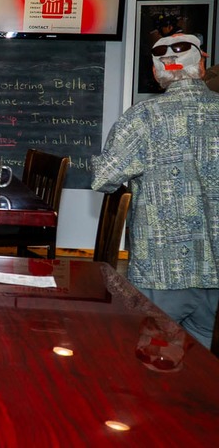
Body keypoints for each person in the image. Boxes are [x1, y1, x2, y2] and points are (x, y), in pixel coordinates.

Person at [92, 33, 219, 347]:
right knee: (206, 362)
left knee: (151, 360)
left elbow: (104, 178)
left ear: (155, 72)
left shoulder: (143, 117)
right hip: (215, 271)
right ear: (201, 65)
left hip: (162, 269)